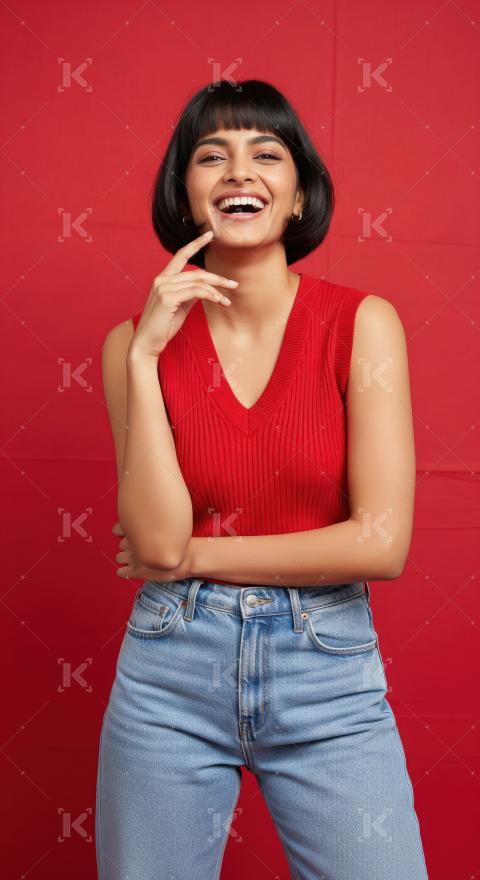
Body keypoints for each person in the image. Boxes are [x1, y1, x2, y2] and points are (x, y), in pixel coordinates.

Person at [95, 79, 429, 879]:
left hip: (327, 668)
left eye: (265, 154)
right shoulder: (129, 346)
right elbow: (155, 539)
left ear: (299, 195)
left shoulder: (363, 324)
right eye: (211, 156)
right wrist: (145, 358)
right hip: (168, 670)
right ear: (185, 193)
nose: (237, 171)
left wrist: (197, 559)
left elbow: (380, 545)